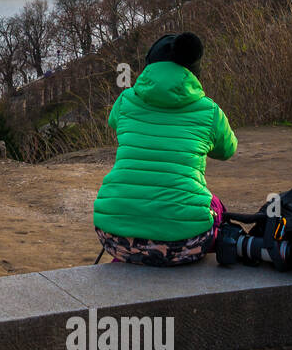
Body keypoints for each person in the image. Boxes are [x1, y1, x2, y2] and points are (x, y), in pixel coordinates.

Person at [92, 32, 237, 266]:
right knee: (215, 207)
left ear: (149, 67)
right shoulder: (209, 111)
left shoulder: (126, 100)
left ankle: (133, 254)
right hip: (186, 243)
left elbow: (114, 124)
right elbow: (228, 150)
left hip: (112, 236)